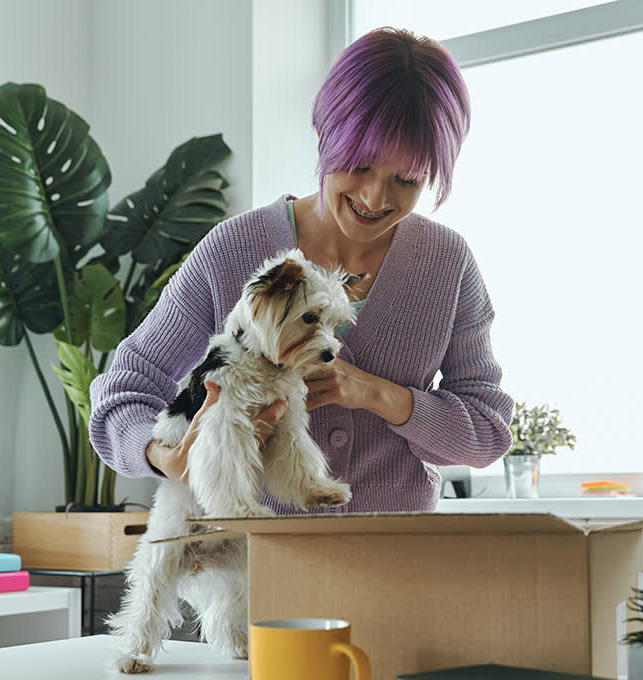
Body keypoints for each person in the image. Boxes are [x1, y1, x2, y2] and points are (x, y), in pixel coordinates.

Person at [89, 27, 514, 513]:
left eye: (407, 179)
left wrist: (379, 395)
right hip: (252, 572)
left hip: (399, 567)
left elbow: (486, 430)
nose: (376, 198)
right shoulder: (233, 251)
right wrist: (166, 455)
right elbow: (123, 389)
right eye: (359, 165)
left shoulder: (447, 265)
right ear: (322, 136)